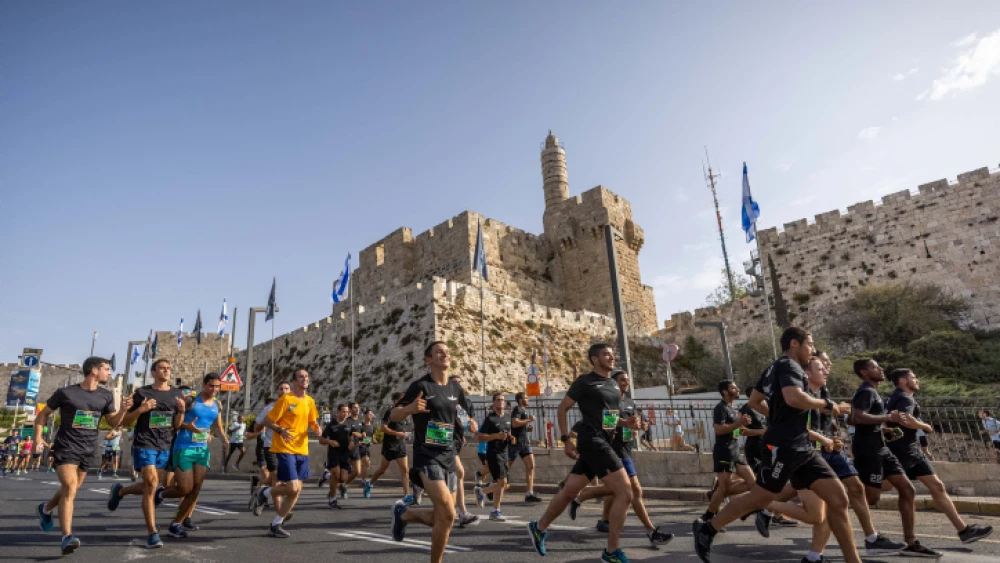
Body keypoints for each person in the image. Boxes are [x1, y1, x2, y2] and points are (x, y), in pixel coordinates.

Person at [691, 328, 861, 563]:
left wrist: (777, 418)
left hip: (802, 446)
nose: (812, 350)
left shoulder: (773, 368)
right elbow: (794, 398)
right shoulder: (789, 367)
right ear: (794, 343)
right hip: (783, 446)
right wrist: (830, 406)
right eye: (809, 345)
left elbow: (754, 401)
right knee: (760, 497)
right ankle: (708, 528)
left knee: (839, 499)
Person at [528, 343, 636, 563]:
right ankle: (612, 551)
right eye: (606, 354)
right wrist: (566, 439)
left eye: (612, 354)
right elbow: (562, 408)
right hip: (593, 441)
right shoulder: (584, 382)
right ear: (594, 359)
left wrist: (626, 422)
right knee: (626, 493)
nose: (611, 357)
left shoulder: (613, 385)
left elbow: (609, 417)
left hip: (603, 441)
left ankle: (538, 527)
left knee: (569, 491)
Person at [33, 356, 133, 555]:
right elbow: (43, 414)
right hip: (66, 447)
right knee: (69, 487)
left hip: (87, 449)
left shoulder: (105, 396)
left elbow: (113, 422)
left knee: (71, 489)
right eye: (107, 369)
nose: (110, 373)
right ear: (94, 371)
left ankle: (46, 509)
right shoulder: (66, 393)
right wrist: (37, 438)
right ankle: (67, 537)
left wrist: (123, 410)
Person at [885, 368, 993, 544]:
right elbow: (905, 419)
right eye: (913, 377)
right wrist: (926, 427)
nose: (917, 380)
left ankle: (964, 531)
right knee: (879, 488)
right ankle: (845, 500)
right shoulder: (904, 397)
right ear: (903, 381)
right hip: (901, 451)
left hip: (913, 451)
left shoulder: (897, 396)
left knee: (937, 487)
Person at [567, 370, 674, 548]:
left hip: (626, 449)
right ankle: (651, 532)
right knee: (635, 491)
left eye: (627, 380)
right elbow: (608, 425)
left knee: (616, 490)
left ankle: (581, 499)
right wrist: (624, 425)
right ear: (613, 383)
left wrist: (639, 426)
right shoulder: (611, 401)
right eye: (622, 380)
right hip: (613, 451)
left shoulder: (630, 402)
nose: (626, 382)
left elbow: (632, 425)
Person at [850, 358, 939, 557]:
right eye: (875, 367)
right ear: (865, 372)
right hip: (868, 451)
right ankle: (833, 502)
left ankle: (911, 542)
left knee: (907, 489)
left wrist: (886, 430)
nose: (881, 369)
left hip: (882, 449)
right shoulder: (865, 391)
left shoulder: (874, 393)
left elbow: (854, 418)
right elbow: (857, 417)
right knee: (871, 498)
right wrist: (888, 418)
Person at [389, 341, 468, 563]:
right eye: (439, 352)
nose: (445, 354)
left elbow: (461, 414)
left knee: (444, 517)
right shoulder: (420, 386)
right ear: (429, 360)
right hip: (427, 455)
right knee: (449, 513)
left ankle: (405, 514)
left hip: (449, 454)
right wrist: (409, 409)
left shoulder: (456, 389)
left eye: (447, 352)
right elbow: (393, 415)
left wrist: (469, 422)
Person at [107, 358, 186, 549]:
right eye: (162, 368)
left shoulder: (177, 394)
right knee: (151, 485)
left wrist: (181, 412)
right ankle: (152, 533)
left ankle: (122, 491)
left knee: (151, 485)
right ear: (153, 372)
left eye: (168, 368)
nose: (166, 371)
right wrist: (141, 409)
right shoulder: (142, 393)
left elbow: (175, 425)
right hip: (145, 443)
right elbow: (125, 422)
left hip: (165, 445)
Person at [157, 373, 228, 539]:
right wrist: (188, 427)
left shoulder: (217, 404)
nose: (214, 389)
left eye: (217, 386)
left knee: (195, 490)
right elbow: (176, 423)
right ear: (204, 385)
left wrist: (225, 439)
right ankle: (159, 494)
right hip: (184, 448)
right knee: (184, 488)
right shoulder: (191, 401)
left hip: (202, 450)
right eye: (211, 386)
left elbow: (217, 425)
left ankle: (176, 524)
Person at [253, 369, 320, 538]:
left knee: (296, 491)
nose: (304, 379)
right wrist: (280, 430)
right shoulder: (285, 400)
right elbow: (267, 420)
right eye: (300, 377)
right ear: (294, 382)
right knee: (292, 487)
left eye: (306, 376)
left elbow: (313, 420)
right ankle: (264, 493)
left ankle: (275, 523)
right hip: (285, 448)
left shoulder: (310, 401)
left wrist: (317, 428)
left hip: (302, 449)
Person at [701, 380, 754, 527]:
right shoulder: (720, 408)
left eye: (737, 387)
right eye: (733, 388)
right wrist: (738, 423)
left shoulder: (733, 408)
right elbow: (718, 429)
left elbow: (738, 430)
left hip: (735, 451)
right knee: (724, 487)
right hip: (724, 451)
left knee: (753, 483)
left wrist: (749, 426)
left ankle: (717, 496)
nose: (737, 389)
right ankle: (708, 516)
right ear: (725, 392)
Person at [250, 381, 291, 502]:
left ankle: (260, 489)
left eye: (286, 388)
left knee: (286, 479)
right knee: (277, 479)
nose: (284, 391)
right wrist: (267, 425)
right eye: (281, 388)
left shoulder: (294, 406)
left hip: (289, 447)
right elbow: (256, 426)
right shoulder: (270, 408)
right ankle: (280, 515)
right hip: (271, 446)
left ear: (290, 390)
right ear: (277, 391)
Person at [475, 393, 514, 521]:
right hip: (493, 453)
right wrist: (495, 436)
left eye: (503, 400)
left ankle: (495, 510)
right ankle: (482, 493)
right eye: (498, 400)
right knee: (502, 483)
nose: (501, 402)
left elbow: (510, 434)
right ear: (494, 403)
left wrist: (512, 439)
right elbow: (479, 437)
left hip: (505, 453)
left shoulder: (508, 417)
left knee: (504, 485)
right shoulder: (490, 419)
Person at [448, 374, 480, 527]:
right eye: (454, 383)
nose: (457, 385)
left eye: (460, 383)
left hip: (457, 441)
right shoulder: (444, 399)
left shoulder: (466, 402)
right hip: (443, 441)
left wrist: (465, 416)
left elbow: (472, 425)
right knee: (459, 472)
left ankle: (452, 509)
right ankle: (462, 512)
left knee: (452, 476)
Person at [369, 391, 412, 501]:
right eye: (402, 399)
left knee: (405, 470)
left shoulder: (405, 414)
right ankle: (370, 484)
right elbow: (383, 428)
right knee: (382, 470)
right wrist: (397, 433)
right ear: (395, 400)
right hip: (389, 445)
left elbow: (402, 428)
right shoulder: (390, 412)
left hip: (400, 445)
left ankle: (406, 495)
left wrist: (404, 434)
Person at [508, 392, 542, 502]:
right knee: (505, 467)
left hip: (524, 443)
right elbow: (514, 423)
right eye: (526, 398)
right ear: (520, 400)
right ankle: (492, 486)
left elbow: (520, 425)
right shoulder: (517, 409)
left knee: (531, 466)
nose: (528, 399)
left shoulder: (524, 410)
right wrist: (529, 420)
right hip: (516, 443)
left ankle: (529, 493)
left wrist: (528, 428)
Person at [320, 404, 353, 509]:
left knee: (343, 479)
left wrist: (352, 442)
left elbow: (351, 435)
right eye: (343, 411)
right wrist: (330, 441)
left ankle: (326, 476)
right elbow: (321, 440)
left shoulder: (348, 423)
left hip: (345, 454)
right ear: (338, 412)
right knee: (336, 476)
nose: (345, 414)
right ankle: (332, 499)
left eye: (347, 412)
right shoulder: (331, 425)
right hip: (334, 454)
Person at [358, 408, 377, 498]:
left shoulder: (372, 426)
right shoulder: (360, 426)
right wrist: (365, 439)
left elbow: (373, 439)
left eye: (371, 415)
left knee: (366, 466)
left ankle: (362, 481)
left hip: (367, 447)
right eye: (369, 414)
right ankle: (363, 481)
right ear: (365, 415)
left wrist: (375, 440)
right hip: (360, 448)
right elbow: (357, 438)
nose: (371, 416)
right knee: (367, 462)